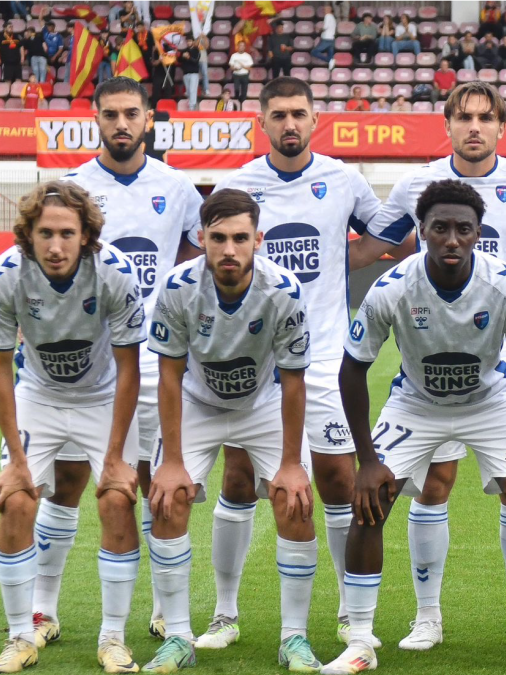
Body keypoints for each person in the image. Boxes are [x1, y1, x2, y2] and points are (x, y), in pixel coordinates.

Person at [347, 82, 506, 651]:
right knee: (432, 485)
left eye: (485, 117)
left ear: (502, 126)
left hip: (502, 358)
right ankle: (425, 617)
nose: (474, 127)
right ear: (448, 124)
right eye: (464, 117)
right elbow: (371, 247)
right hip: (427, 354)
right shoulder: (415, 185)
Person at [320, 179, 506, 675]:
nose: (451, 239)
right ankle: (360, 641)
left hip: (490, 400)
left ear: (479, 232)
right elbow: (352, 368)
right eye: (440, 229)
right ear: (422, 231)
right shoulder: (393, 286)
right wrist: (367, 460)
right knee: (369, 503)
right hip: (416, 402)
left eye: (463, 229)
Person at [194, 76, 385, 651]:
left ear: (315, 118)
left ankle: (353, 614)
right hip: (253, 361)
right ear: (262, 122)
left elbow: (383, 236)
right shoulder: (237, 185)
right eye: (278, 115)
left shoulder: (344, 179)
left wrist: (340, 260)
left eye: (299, 113)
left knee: (335, 480)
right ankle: (225, 614)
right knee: (237, 478)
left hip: (324, 356)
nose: (289, 125)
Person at [34, 76, 204, 649]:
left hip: (157, 362)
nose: (121, 124)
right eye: (110, 115)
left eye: (131, 113)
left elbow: (196, 259)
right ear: (97, 121)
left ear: (149, 119)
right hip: (86, 368)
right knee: (68, 482)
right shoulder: (72, 187)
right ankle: (40, 610)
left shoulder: (177, 188)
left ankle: (161, 610)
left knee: (158, 485)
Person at [141, 188, 318, 673]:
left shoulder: (284, 290)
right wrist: (173, 461)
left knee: (295, 500)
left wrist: (290, 464)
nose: (229, 249)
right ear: (201, 238)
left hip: (262, 405)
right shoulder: (178, 288)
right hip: (198, 404)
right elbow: (170, 377)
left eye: (240, 238)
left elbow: (295, 382)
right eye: (218, 238)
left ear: (258, 239)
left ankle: (294, 638)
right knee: (167, 497)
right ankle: (178, 637)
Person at [0, 181, 145, 674]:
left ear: (86, 235)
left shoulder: (115, 275)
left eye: (67, 233)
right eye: (45, 234)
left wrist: (115, 456)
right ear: (28, 236)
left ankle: (113, 638)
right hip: (38, 395)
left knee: (117, 498)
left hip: (102, 395)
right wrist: (17, 462)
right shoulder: (8, 276)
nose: (56, 245)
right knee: (14, 499)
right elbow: (1, 369)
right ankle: (21, 635)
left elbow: (130, 368)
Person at [178, 37, 201, 110]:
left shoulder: (196, 50)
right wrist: (182, 56)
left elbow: (195, 61)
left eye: (190, 41)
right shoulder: (184, 51)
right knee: (188, 91)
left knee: (192, 90)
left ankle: (192, 107)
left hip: (194, 74)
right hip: (186, 74)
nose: (188, 43)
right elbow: (179, 60)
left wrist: (188, 57)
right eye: (187, 41)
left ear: (193, 42)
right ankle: (191, 104)